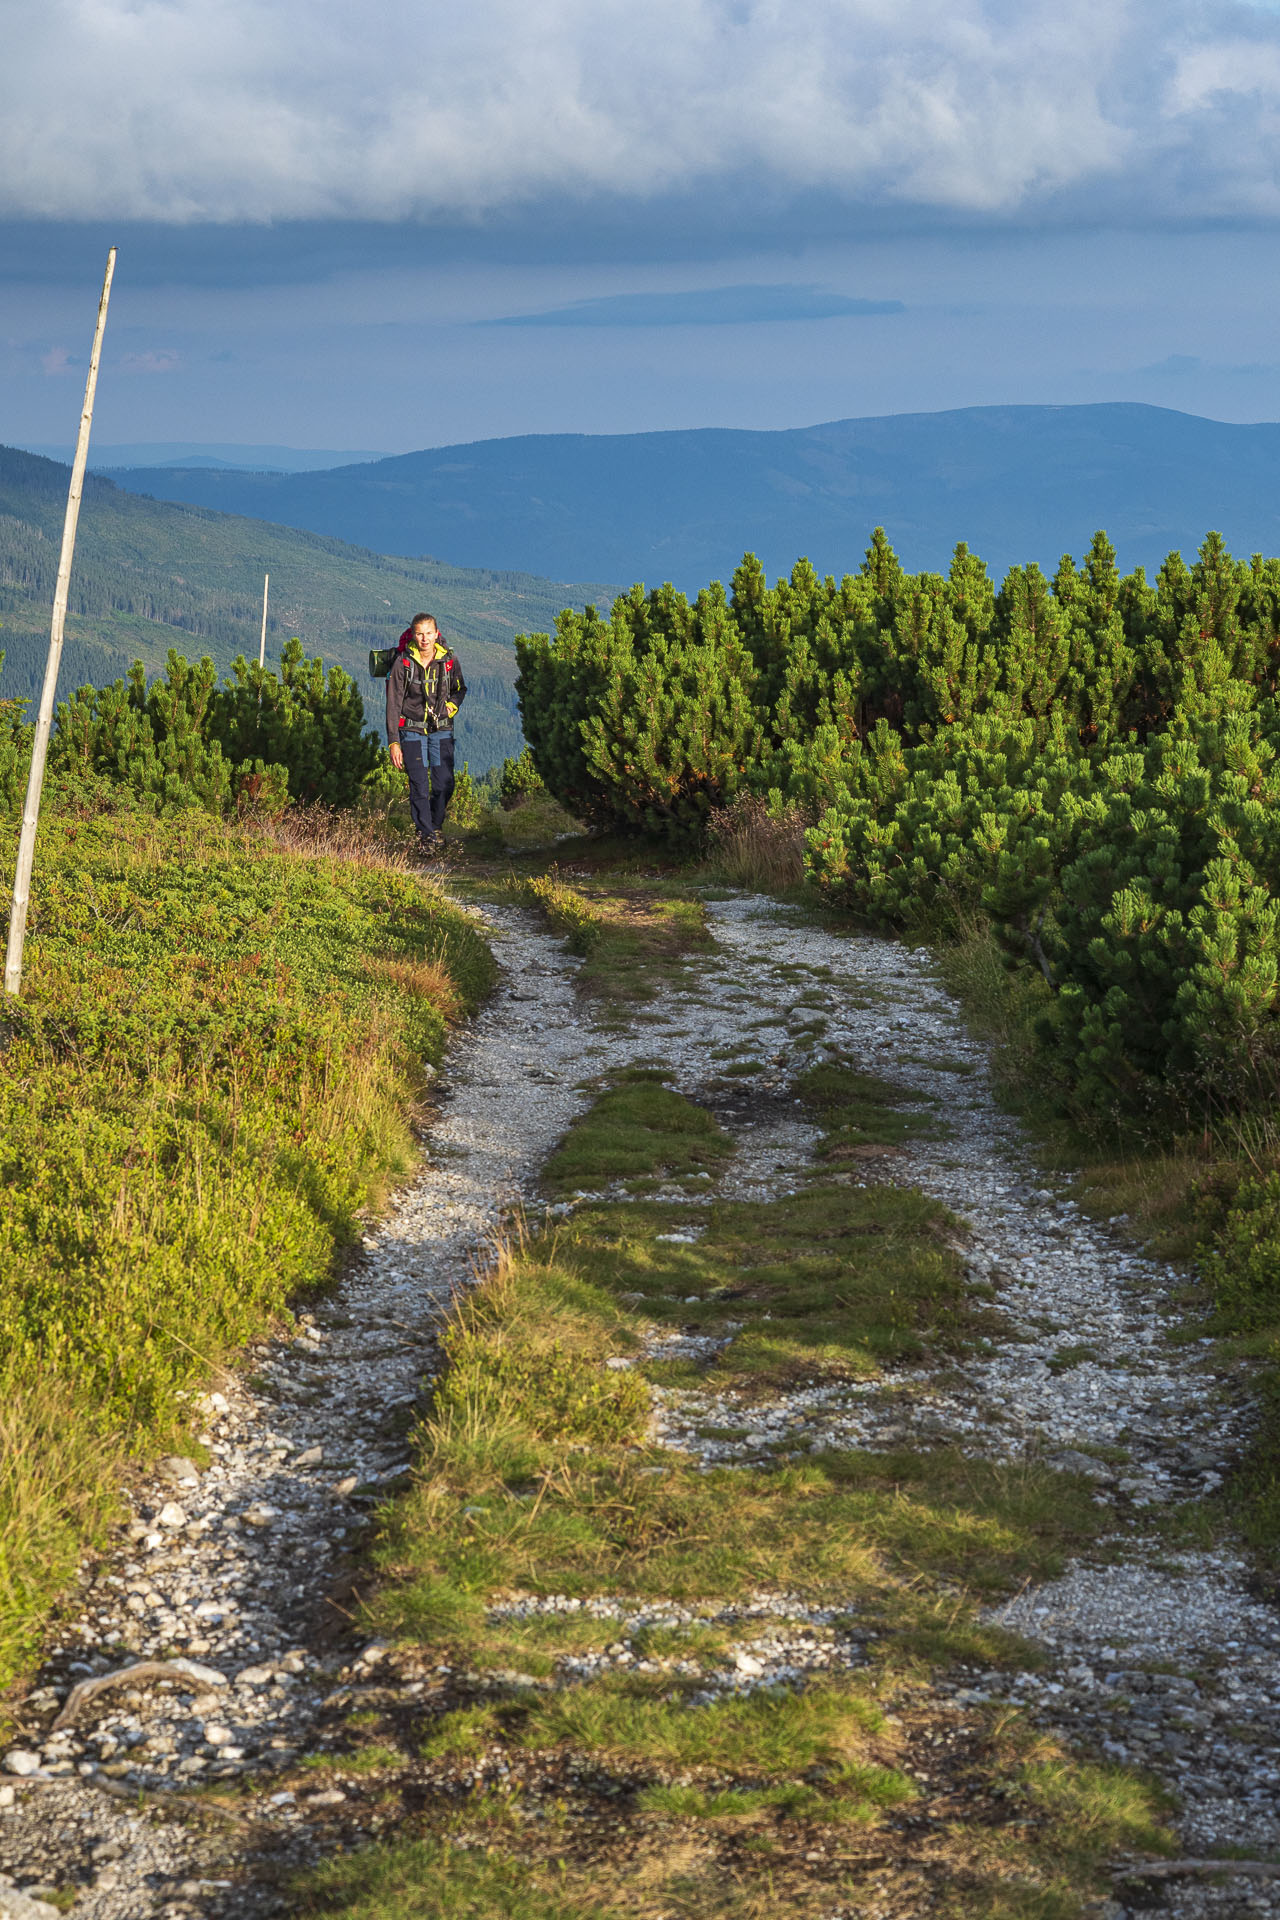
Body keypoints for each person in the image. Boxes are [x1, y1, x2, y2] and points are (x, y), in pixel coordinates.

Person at [386, 613, 467, 853]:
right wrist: (393, 742)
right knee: (419, 784)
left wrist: (451, 707)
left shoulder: (448, 660)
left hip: (441, 727)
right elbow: (393, 704)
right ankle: (426, 836)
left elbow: (460, 689)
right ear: (413, 634)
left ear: (436, 633)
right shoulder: (403, 663)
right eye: (420, 633)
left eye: (429, 633)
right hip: (411, 728)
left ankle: (435, 825)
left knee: (444, 782)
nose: (425, 639)